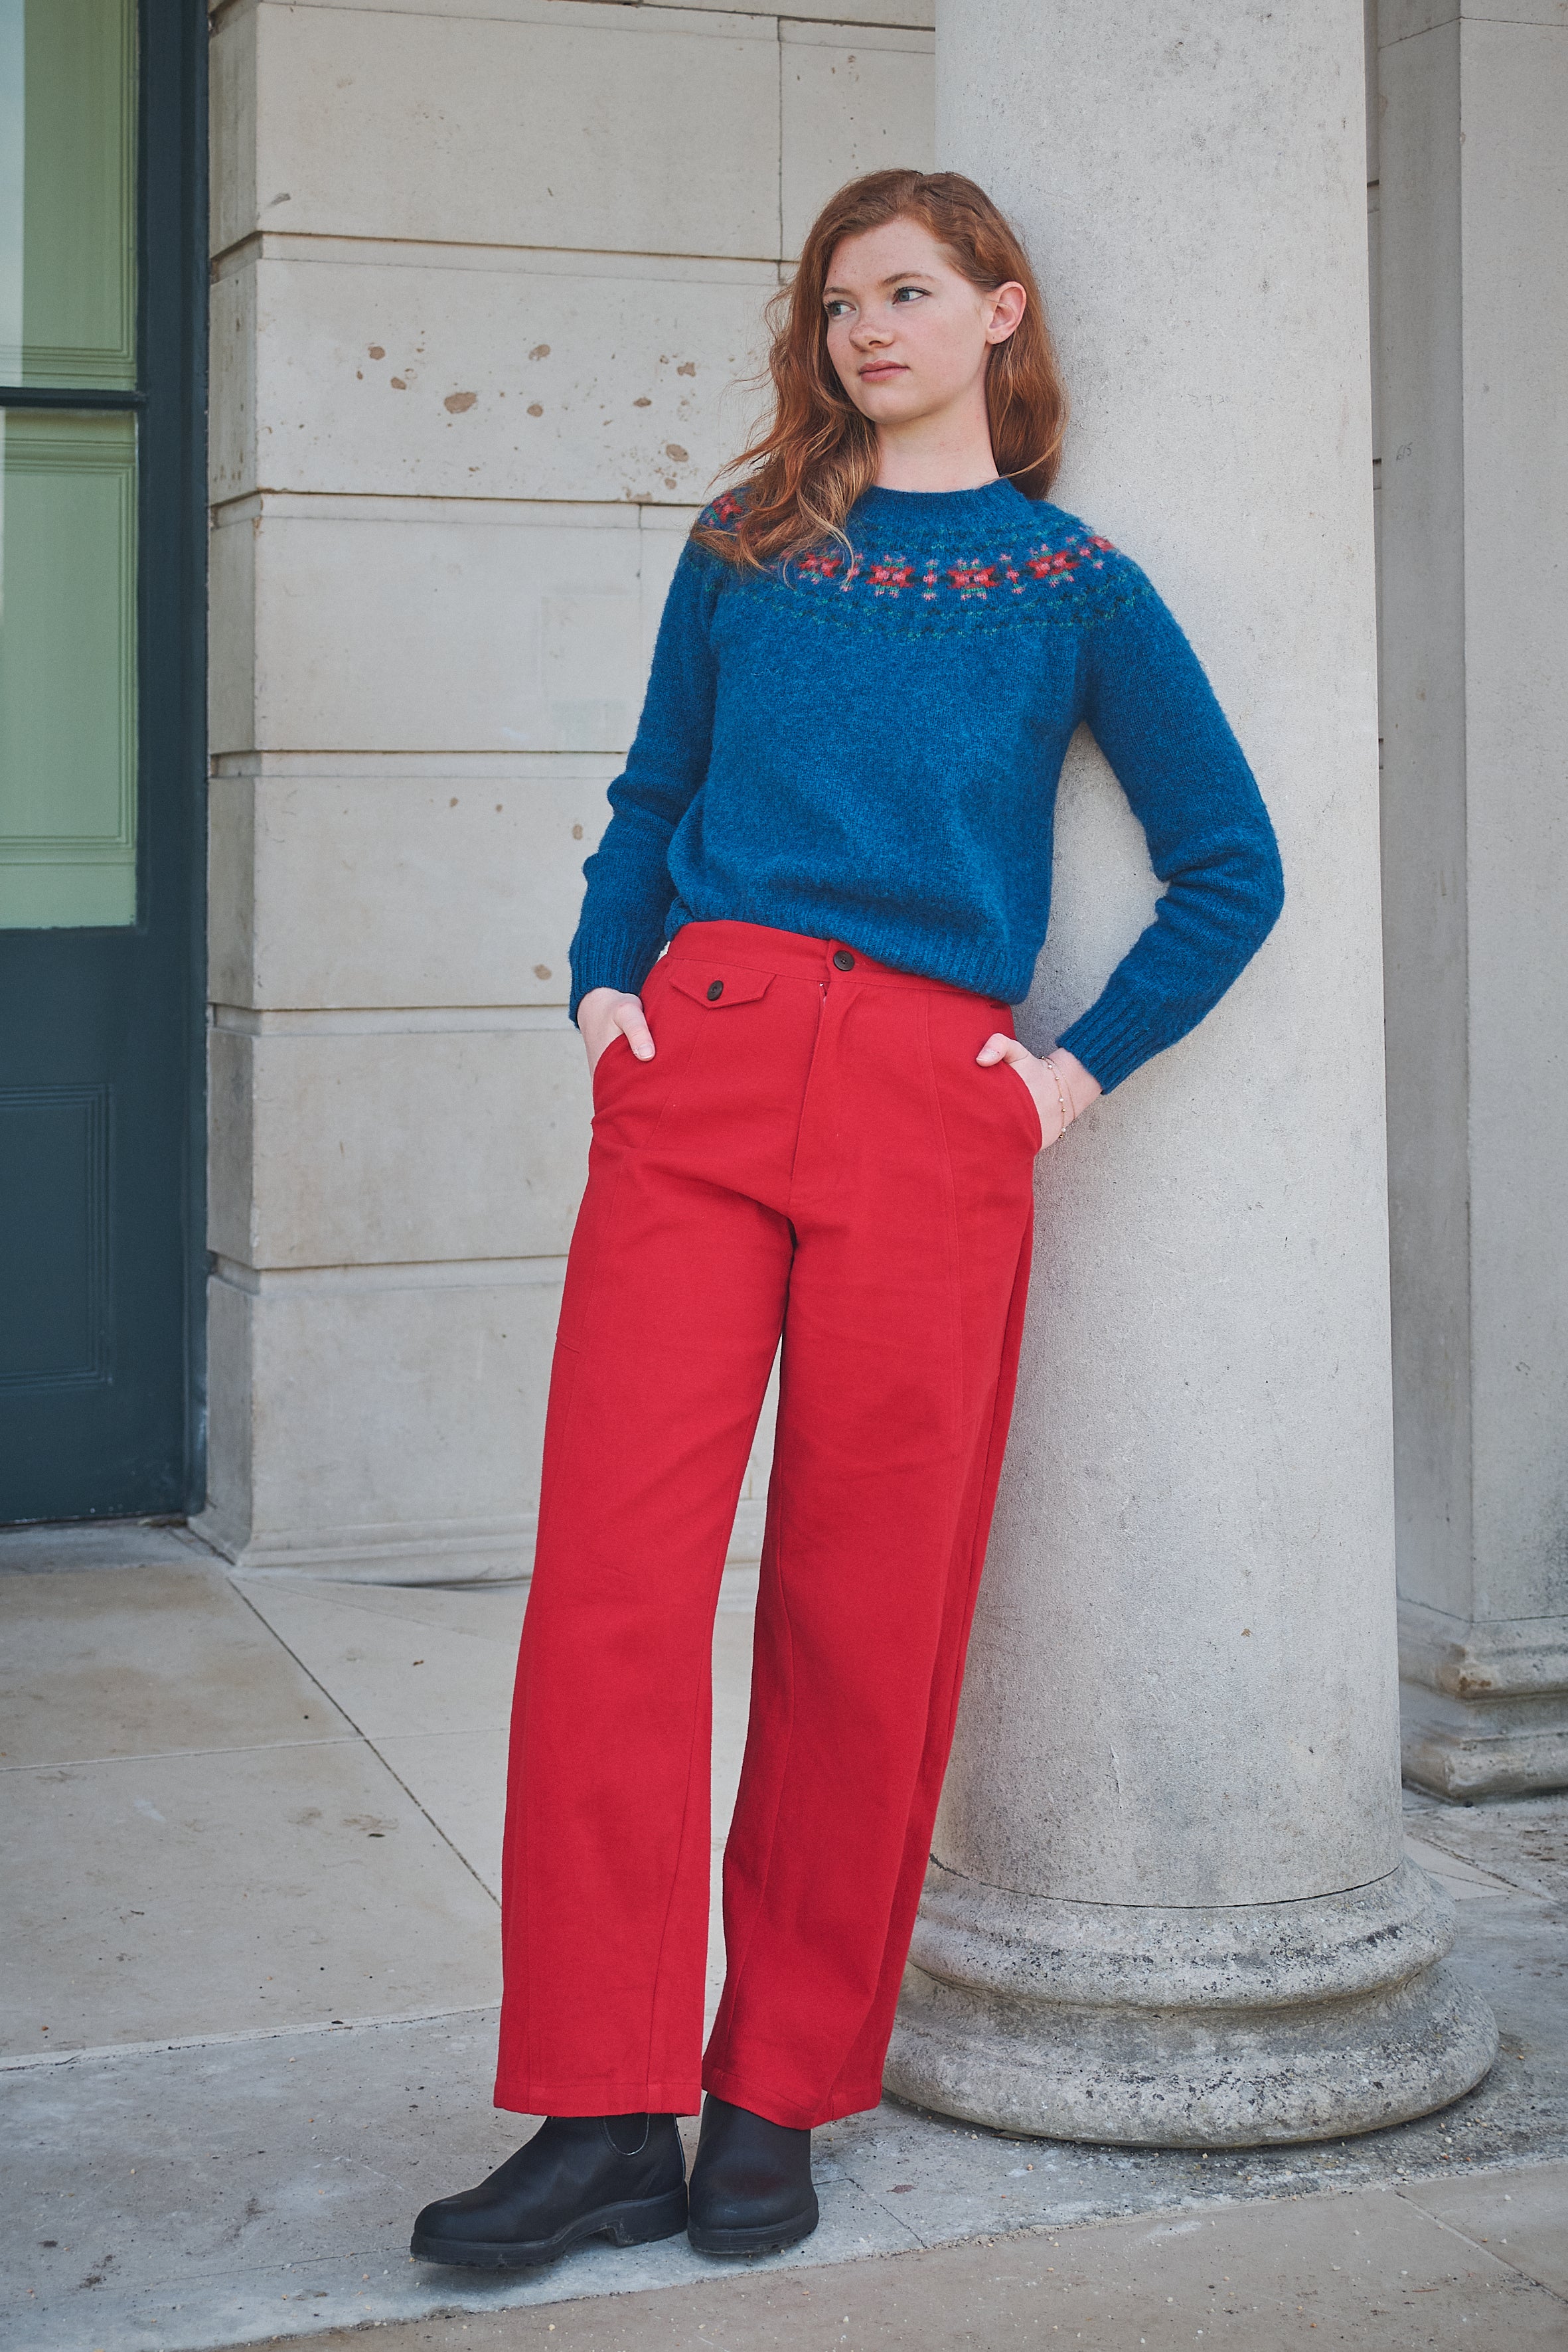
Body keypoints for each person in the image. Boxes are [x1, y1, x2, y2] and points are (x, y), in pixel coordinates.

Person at [412, 167, 1283, 2272]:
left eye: (904, 295)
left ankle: (773, 2093)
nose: (861, 331)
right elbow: (649, 794)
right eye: (833, 304)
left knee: (861, 1616)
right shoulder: (744, 546)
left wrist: (1064, 1076)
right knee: (612, 1594)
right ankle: (603, 2106)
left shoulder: (1071, 586)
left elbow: (1228, 864)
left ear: (999, 314)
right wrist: (605, 987)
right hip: (697, 1077)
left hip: (928, 1114)